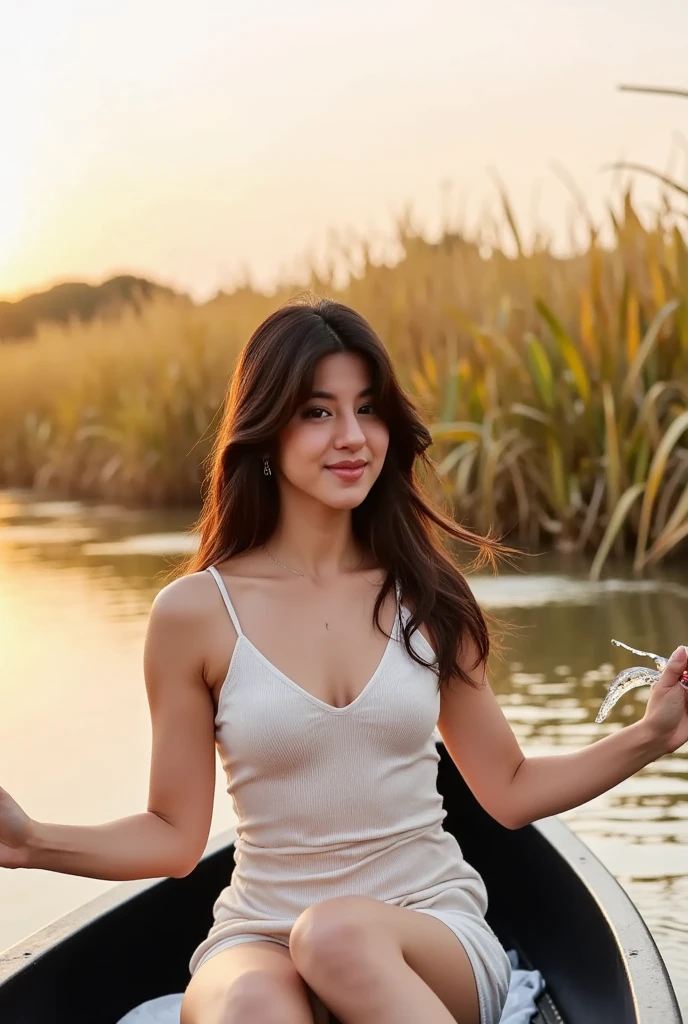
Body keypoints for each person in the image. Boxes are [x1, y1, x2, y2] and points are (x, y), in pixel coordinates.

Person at [1, 297, 687, 1024]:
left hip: (426, 928)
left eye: (368, 409)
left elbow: (510, 789)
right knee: (252, 1000)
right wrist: (30, 842)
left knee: (333, 936)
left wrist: (649, 736)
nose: (353, 437)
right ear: (265, 431)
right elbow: (175, 838)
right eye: (319, 412)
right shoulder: (193, 615)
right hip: (260, 931)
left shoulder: (426, 594)